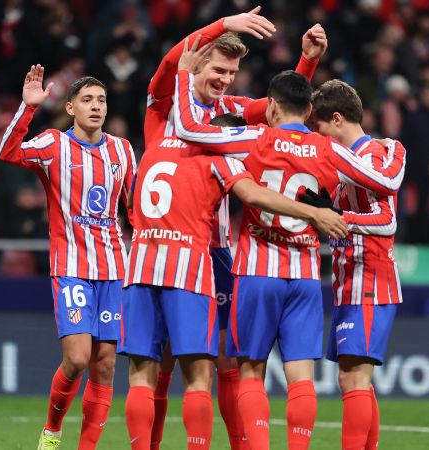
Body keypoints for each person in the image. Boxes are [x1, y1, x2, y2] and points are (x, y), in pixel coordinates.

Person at [173, 43, 405, 450]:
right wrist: (397, 150)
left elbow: (190, 131)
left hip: (257, 270)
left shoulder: (256, 139)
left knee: (250, 371)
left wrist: (182, 75)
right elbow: (385, 183)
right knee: (301, 378)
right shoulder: (328, 148)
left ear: (273, 107)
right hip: (304, 274)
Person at [142, 8, 328, 450]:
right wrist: (223, 24)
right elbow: (173, 62)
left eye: (232, 72)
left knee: (226, 362)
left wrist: (307, 63)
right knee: (162, 364)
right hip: (170, 250)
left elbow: (284, 112)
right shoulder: (166, 104)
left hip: (220, 252)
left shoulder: (231, 111)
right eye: (218, 69)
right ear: (198, 64)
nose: (225, 79)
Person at [119, 107, 347, 450]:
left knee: (144, 374)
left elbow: (130, 205)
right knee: (199, 376)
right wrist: (315, 212)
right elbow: (253, 194)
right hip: (193, 268)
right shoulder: (218, 158)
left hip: (141, 264)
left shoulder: (153, 148)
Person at [0, 65, 137, 450]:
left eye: (102, 100)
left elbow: (136, 207)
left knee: (106, 363)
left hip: (113, 270)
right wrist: (28, 109)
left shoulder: (122, 151)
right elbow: (8, 152)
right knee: (77, 359)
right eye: (87, 100)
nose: (96, 106)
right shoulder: (52, 144)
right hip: (72, 268)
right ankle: (52, 431)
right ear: (72, 108)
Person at [304, 79, 405, 450]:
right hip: (350, 280)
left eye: (318, 129)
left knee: (353, 379)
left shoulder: (376, 154)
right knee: (357, 379)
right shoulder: (342, 166)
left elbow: (387, 220)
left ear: (336, 119)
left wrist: (338, 217)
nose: (316, 137)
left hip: (372, 278)